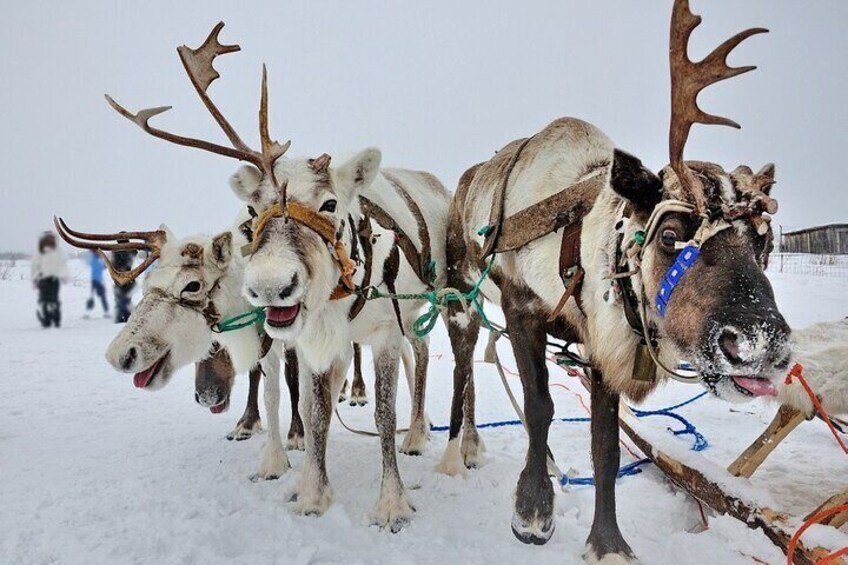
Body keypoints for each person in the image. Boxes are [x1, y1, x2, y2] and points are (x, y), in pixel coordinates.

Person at [31, 231, 68, 328]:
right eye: (49, 238)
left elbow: (62, 265)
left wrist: (64, 276)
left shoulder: (57, 252)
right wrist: (35, 279)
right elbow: (35, 266)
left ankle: (56, 319)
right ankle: (46, 320)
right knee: (44, 300)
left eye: (52, 238)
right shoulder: (40, 252)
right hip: (43, 280)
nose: (51, 240)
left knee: (54, 300)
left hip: (54, 279)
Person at [112, 243, 137, 323]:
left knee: (123, 299)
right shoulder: (127, 251)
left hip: (123, 279)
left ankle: (123, 317)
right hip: (125, 279)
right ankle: (123, 316)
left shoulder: (117, 251)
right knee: (123, 299)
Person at [85, 250, 110, 318]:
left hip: (95, 281)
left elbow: (102, 267)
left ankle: (87, 312)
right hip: (97, 281)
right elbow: (102, 267)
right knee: (102, 296)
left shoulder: (96, 260)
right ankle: (106, 312)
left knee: (93, 296)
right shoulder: (96, 260)